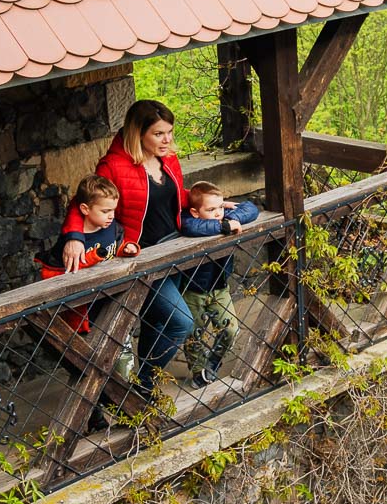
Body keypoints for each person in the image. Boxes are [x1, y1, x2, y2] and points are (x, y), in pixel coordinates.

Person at [95, 99, 192, 392]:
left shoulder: (168, 160)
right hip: (142, 257)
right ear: (138, 133)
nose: (167, 140)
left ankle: (143, 389)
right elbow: (87, 206)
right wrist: (75, 239)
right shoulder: (113, 166)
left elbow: (173, 200)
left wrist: (211, 203)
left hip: (176, 248)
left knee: (155, 322)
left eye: (170, 132)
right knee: (181, 322)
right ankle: (143, 385)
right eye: (159, 134)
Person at [35, 174, 137, 383]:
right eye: (105, 211)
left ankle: (125, 392)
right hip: (83, 312)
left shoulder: (112, 228)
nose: (111, 216)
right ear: (84, 209)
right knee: (88, 364)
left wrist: (127, 249)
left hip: (110, 302)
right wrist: (94, 257)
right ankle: (94, 411)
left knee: (122, 353)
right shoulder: (72, 243)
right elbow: (64, 272)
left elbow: (116, 247)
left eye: (113, 210)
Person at [178, 181, 260, 384]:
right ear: (196, 212)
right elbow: (189, 225)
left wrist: (230, 212)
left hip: (220, 287)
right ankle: (198, 370)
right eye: (211, 209)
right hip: (193, 289)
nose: (218, 213)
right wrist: (223, 226)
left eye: (220, 207)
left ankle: (214, 360)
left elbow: (251, 209)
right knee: (193, 333)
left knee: (230, 328)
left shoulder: (225, 216)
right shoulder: (190, 221)